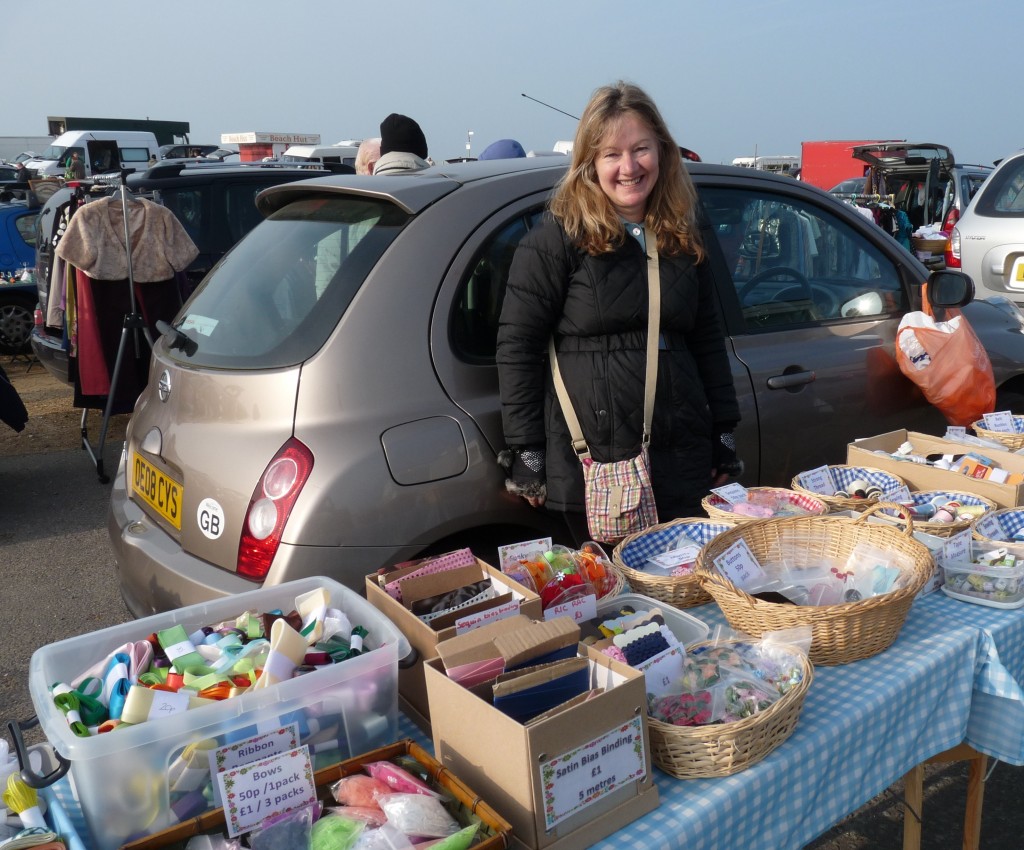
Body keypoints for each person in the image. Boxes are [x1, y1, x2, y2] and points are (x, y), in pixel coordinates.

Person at [496, 81, 741, 541]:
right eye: (611, 154)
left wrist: (724, 431)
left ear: (662, 151)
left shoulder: (683, 235)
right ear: (590, 163)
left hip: (682, 460)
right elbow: (518, 347)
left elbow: (707, 338)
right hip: (598, 466)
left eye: (641, 149)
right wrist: (527, 450)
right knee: (611, 587)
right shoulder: (556, 239)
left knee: (681, 577)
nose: (629, 167)